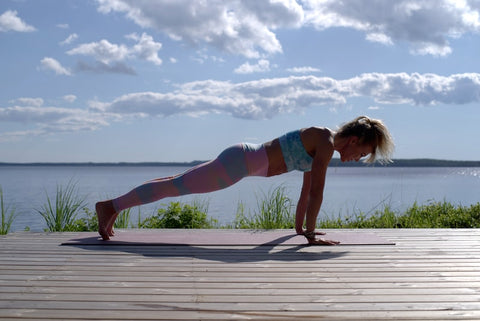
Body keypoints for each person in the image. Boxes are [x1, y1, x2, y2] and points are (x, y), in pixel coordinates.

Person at [96, 115, 394, 244]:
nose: (359, 159)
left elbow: (306, 192)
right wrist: (313, 235)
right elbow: (317, 191)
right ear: (354, 140)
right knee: (176, 186)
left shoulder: (322, 143)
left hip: (242, 160)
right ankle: (111, 206)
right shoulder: (325, 142)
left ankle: (113, 207)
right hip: (240, 163)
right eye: (363, 152)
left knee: (177, 182)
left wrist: (302, 228)